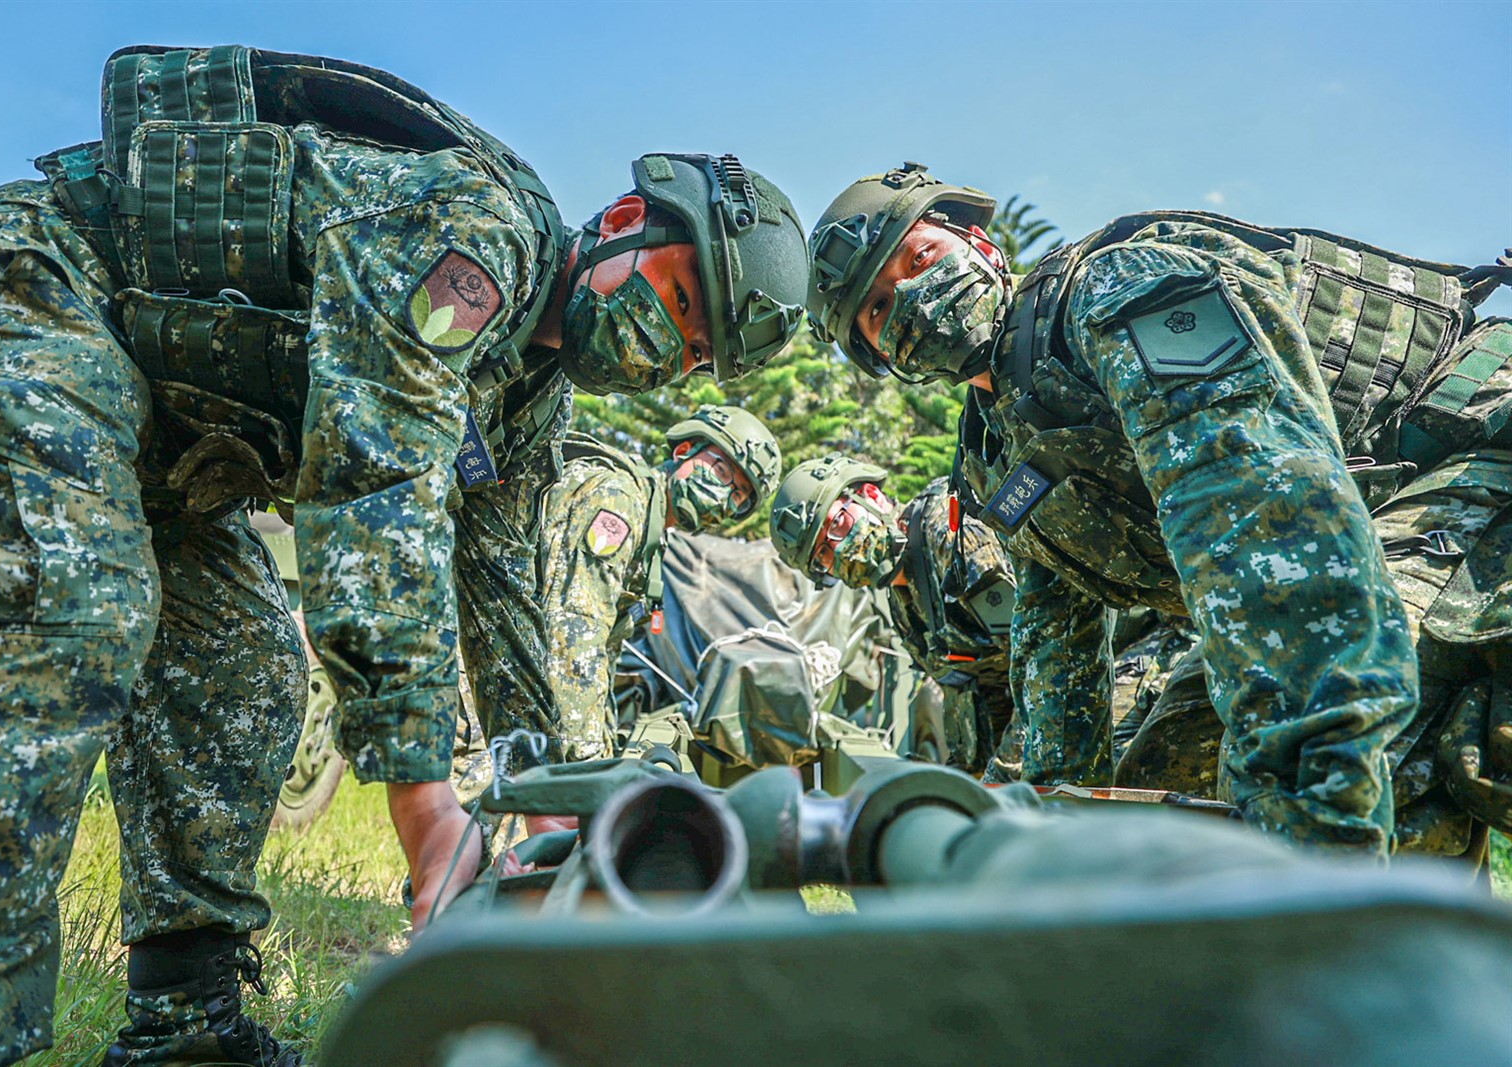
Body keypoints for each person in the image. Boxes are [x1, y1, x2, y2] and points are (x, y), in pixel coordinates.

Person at [0, 44, 808, 1067]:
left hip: (177, 442)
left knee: (247, 666)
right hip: (47, 295)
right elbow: (375, 477)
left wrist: (551, 813)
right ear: (624, 222)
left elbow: (506, 606)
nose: (669, 351)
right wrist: (426, 806)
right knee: (69, 606)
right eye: (682, 303)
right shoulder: (478, 231)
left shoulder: (527, 401)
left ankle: (185, 1024)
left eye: (695, 355)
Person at [806, 162, 1512, 858]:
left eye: (920, 257)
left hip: (1470, 444)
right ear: (880, 355)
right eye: (879, 307)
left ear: (979, 242)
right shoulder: (994, 460)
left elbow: (1263, 514)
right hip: (1360, 529)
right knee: (1165, 789)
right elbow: (1056, 642)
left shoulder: (1114, 289)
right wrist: (1052, 832)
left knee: (1344, 762)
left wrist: (1310, 805)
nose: (912, 296)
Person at [543, 405, 781, 765]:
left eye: (738, 497)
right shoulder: (619, 501)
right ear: (683, 451)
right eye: (721, 471)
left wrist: (605, 751)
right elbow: (574, 632)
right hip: (493, 716)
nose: (724, 496)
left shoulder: (653, 537)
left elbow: (601, 659)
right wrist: (588, 765)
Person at [769, 455, 1014, 772]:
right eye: (822, 557)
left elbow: (1040, 649)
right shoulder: (903, 602)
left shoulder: (947, 532)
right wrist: (966, 776)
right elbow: (975, 690)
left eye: (837, 524)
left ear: (871, 495)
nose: (838, 551)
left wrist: (1005, 771)